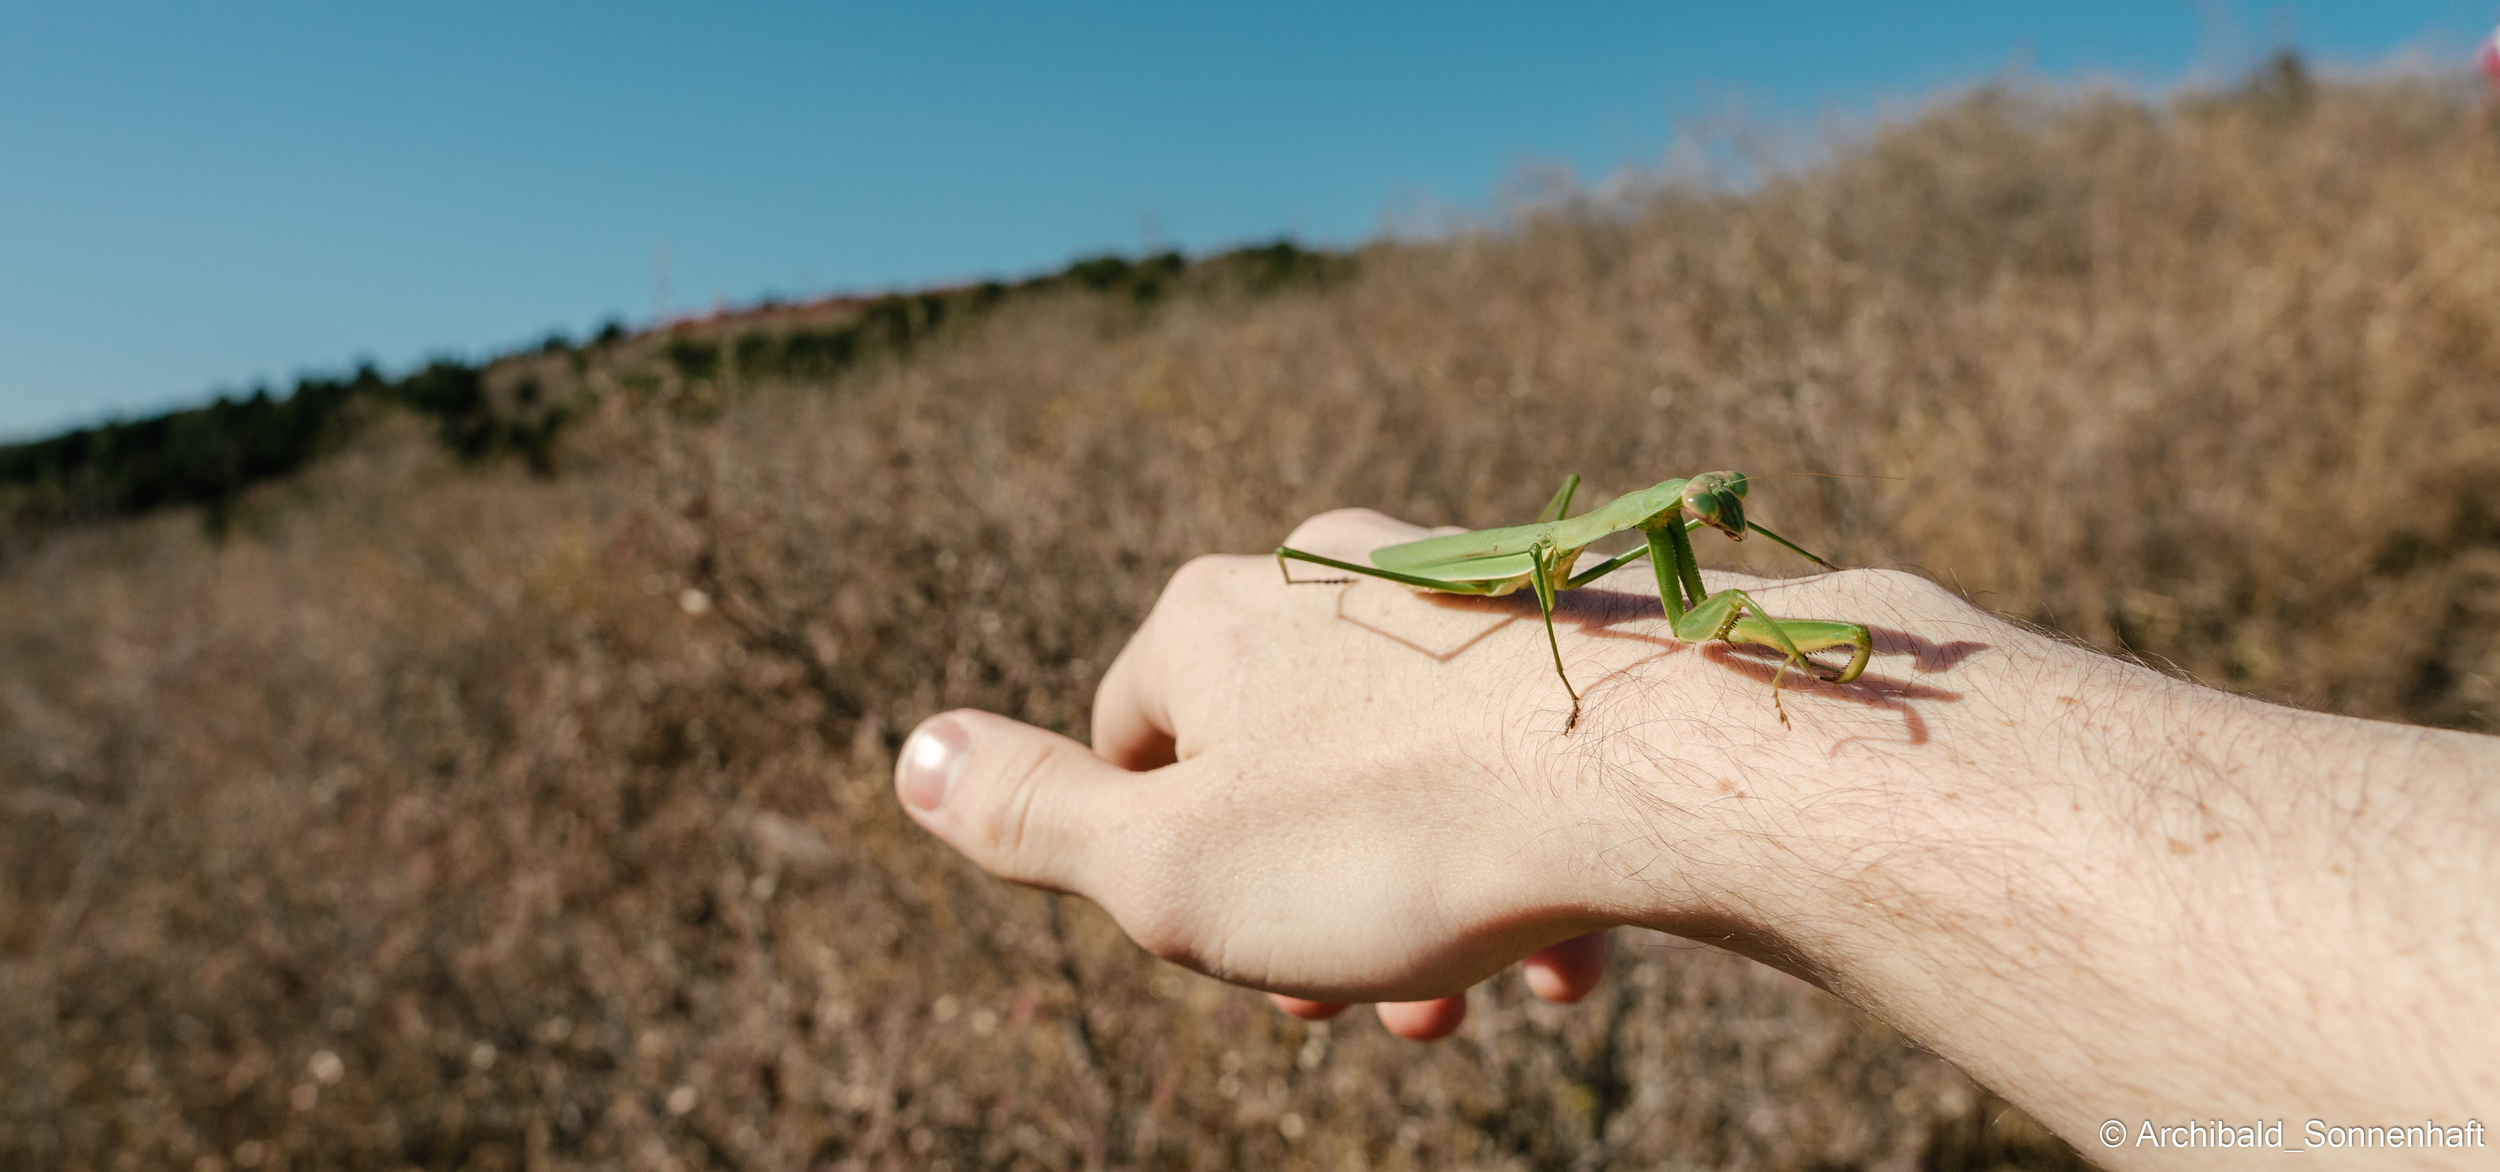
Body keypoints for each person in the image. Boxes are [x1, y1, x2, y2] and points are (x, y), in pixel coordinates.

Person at [894, 506, 2500, 1161]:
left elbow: (1695, 612)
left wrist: (1689, 763)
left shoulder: (1686, 555)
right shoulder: (1617, 540)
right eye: (1711, 498)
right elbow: (1593, 599)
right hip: (1495, 577)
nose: (1728, 511)